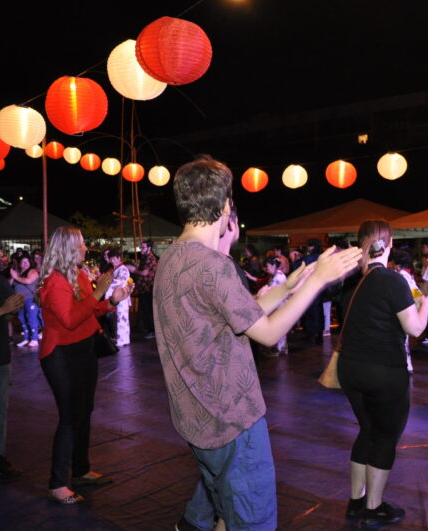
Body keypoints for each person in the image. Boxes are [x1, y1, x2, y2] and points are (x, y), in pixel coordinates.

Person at [153, 156, 361, 530]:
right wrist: (317, 283)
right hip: (231, 420)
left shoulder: (171, 258)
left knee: (224, 513)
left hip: (196, 420)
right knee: (251, 521)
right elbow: (267, 333)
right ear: (225, 206)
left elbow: (239, 314)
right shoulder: (213, 264)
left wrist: (288, 286)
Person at [338, 220, 428, 527]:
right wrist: (427, 306)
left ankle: (356, 502)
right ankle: (373, 507)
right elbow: (415, 328)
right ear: (389, 244)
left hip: (350, 369)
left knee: (366, 430)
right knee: (384, 437)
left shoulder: (353, 283)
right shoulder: (394, 281)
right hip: (383, 371)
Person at [38, 227, 133, 504]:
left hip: (82, 350)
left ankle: (81, 470)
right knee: (70, 415)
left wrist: (110, 301)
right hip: (60, 355)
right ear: (66, 248)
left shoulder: (78, 275)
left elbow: (87, 314)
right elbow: (69, 319)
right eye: (80, 245)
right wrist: (98, 295)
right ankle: (57, 484)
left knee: (84, 411)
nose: (84, 249)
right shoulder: (54, 281)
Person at [0, 277, 24, 482]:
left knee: (1, 410)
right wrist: (3, 309)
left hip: (1, 355)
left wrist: (11, 310)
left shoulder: (0, 281)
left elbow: (7, 318)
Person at [10, 254, 40, 348]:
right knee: (22, 319)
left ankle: (34, 339)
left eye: (27, 262)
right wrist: (13, 275)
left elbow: (28, 281)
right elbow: (10, 284)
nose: (25, 264)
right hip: (19, 300)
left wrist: (16, 277)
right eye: (23, 262)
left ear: (30, 263)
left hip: (30, 299)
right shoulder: (18, 272)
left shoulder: (32, 271)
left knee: (32, 319)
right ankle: (27, 338)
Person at [104, 248, 132, 347]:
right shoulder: (117, 269)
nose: (112, 261)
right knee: (119, 318)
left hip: (122, 296)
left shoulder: (123, 269)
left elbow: (121, 281)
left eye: (114, 258)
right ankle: (121, 339)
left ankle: (122, 339)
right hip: (118, 296)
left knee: (122, 318)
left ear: (119, 258)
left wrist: (108, 285)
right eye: (111, 259)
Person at [263, 256, 289, 356]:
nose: (267, 268)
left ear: (274, 266)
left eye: (268, 266)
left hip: (279, 306)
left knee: (279, 327)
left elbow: (272, 292)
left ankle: (280, 349)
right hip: (278, 305)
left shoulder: (278, 277)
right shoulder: (276, 275)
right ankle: (280, 348)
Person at [135, 240, 158, 339]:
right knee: (145, 310)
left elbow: (144, 273)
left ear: (149, 248)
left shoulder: (149, 258)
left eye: (143, 247)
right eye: (141, 247)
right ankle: (148, 328)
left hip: (147, 287)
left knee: (148, 310)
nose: (141, 249)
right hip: (144, 288)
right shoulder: (146, 258)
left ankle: (152, 331)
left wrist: (134, 270)